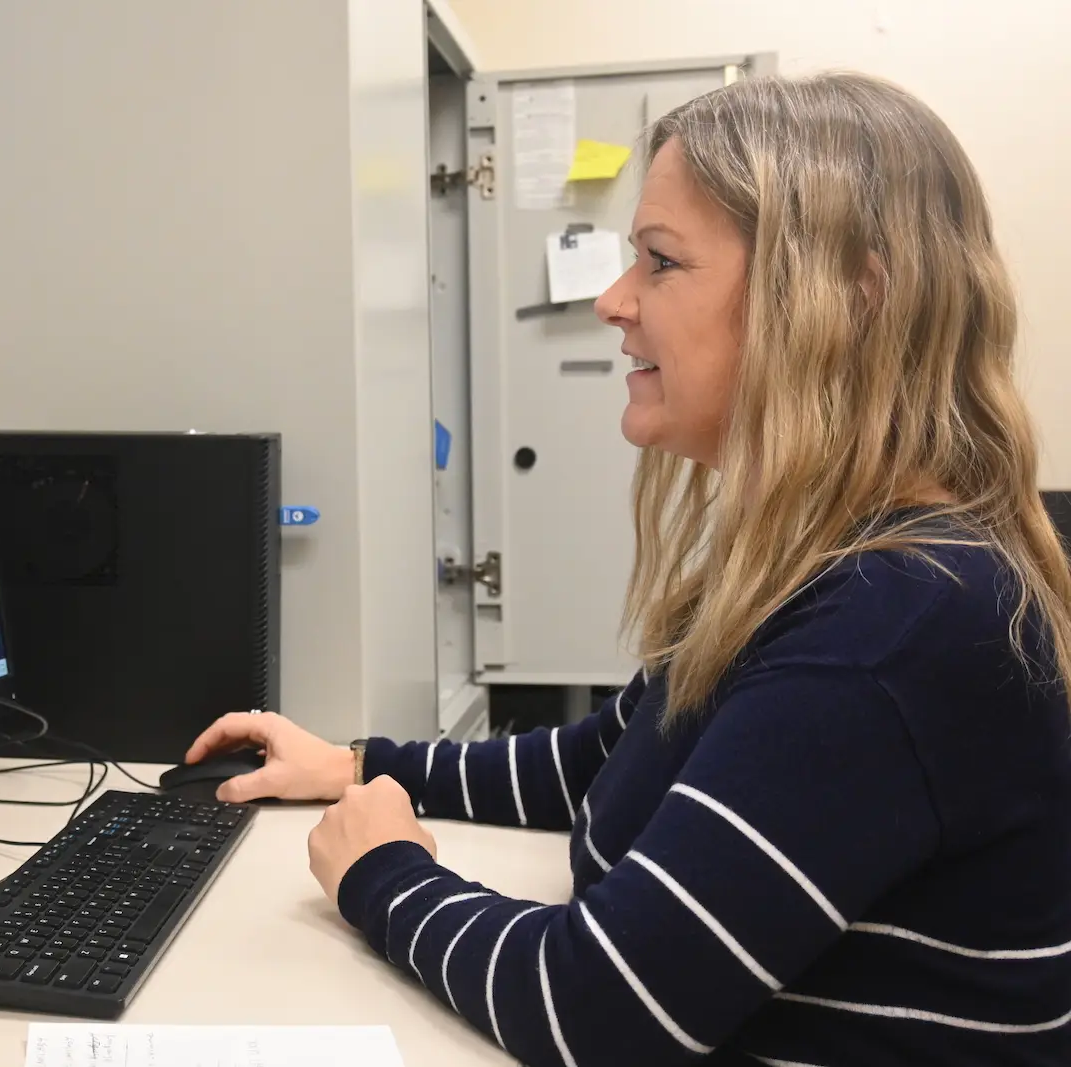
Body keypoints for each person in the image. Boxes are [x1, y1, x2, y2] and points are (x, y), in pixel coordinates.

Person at [185, 72, 1071, 1066]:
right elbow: (605, 760)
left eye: (659, 262)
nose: (612, 302)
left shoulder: (892, 623)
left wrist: (383, 870)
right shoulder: (821, 561)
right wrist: (357, 763)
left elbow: (597, 1010)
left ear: (846, 301)